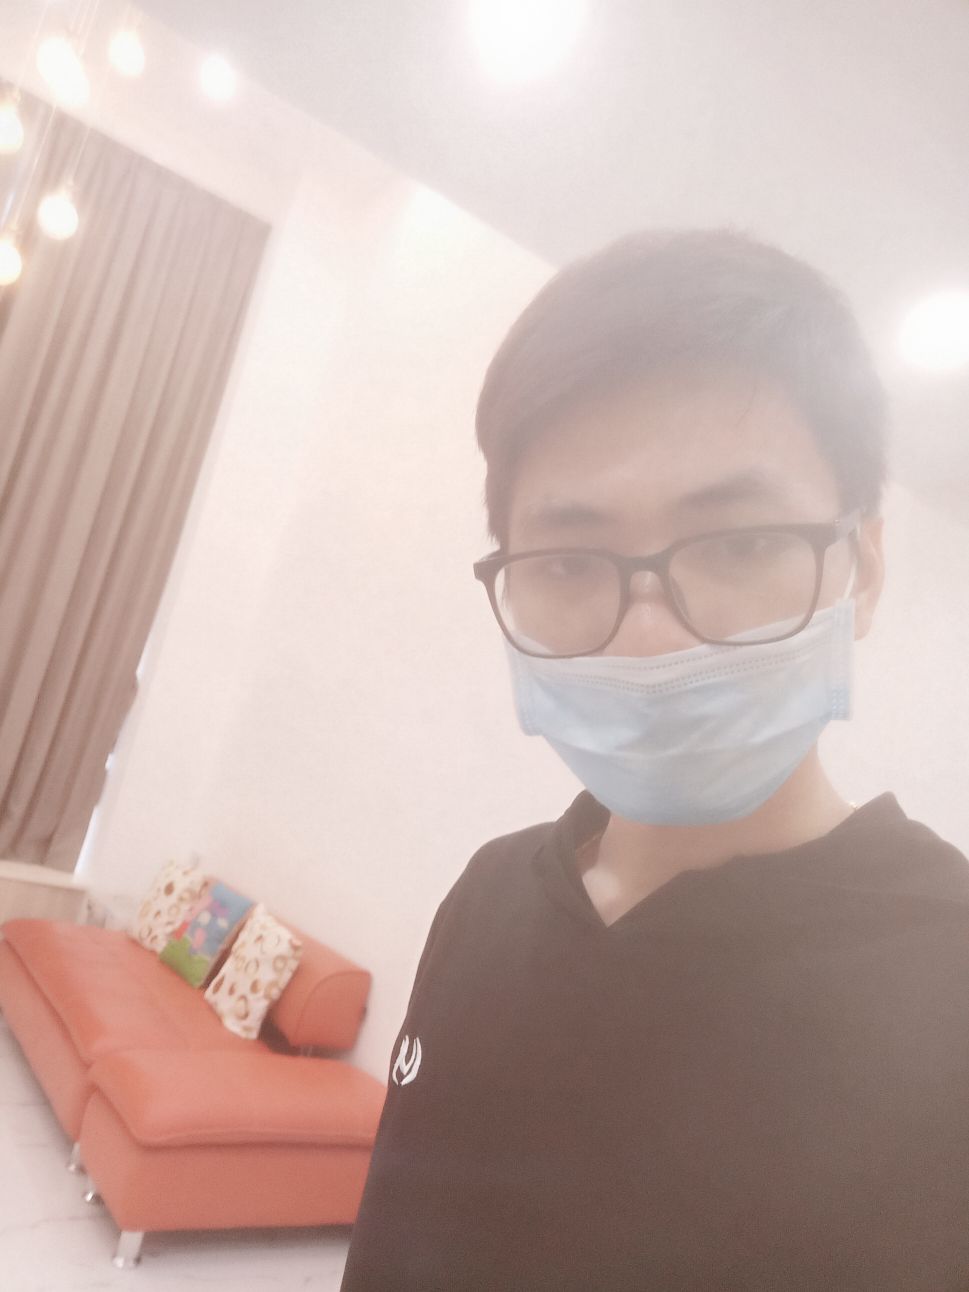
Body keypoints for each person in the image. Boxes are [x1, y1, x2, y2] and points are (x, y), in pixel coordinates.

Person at [340, 230, 969, 1290]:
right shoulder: (488, 893)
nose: (646, 639)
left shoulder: (947, 979)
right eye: (568, 561)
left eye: (738, 544)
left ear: (861, 567)